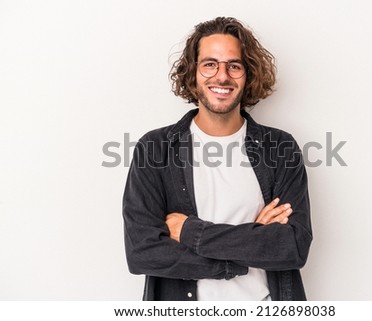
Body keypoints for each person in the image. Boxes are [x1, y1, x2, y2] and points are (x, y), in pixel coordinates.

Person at [122, 17, 312, 301]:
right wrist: (251, 243)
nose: (221, 77)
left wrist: (188, 232)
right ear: (193, 72)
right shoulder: (155, 149)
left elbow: (292, 247)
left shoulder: (279, 148)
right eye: (209, 64)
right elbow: (143, 253)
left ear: (248, 75)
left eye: (234, 66)